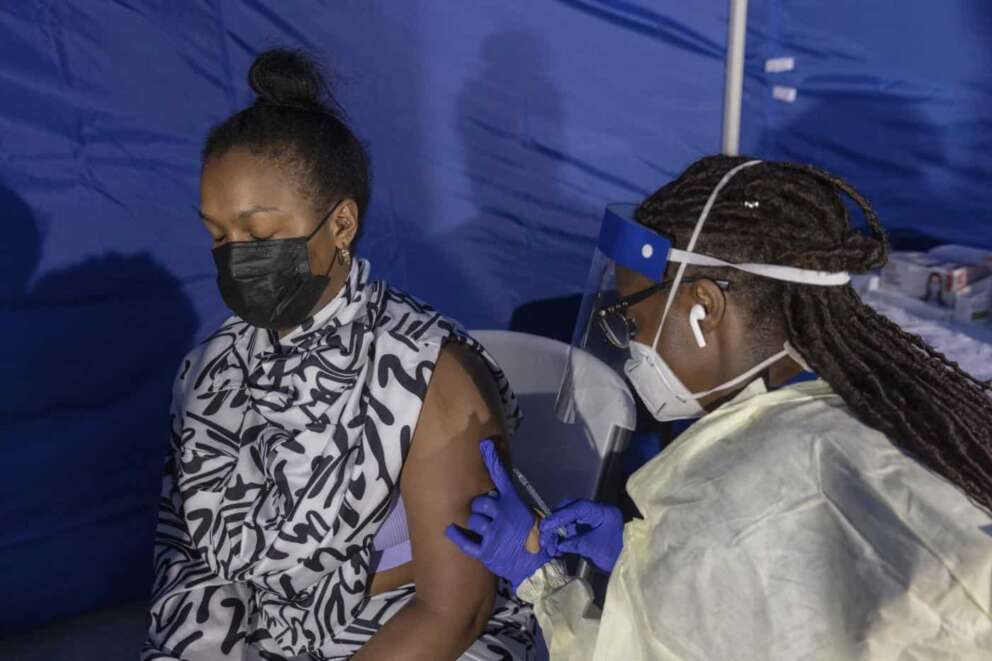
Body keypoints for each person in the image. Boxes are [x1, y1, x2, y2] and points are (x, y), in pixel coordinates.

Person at [446, 156, 992, 659]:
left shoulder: (719, 505)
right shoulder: (896, 415)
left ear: (703, 308)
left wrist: (542, 579)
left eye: (632, 323)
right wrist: (647, 564)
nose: (628, 345)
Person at [142, 49, 535, 661]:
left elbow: (455, 612)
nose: (233, 256)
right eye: (218, 236)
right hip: (264, 634)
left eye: (259, 234)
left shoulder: (423, 373)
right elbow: (192, 568)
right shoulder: (213, 371)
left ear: (342, 223)